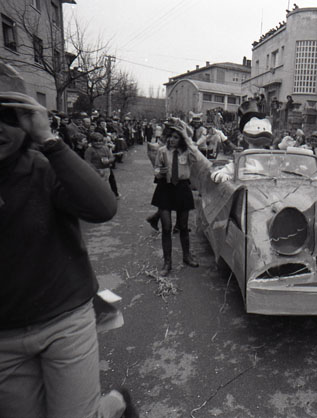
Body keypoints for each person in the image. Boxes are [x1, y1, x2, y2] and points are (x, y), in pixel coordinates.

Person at [0, 61, 135, 418]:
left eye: (8, 115)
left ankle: (116, 402)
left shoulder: (45, 167)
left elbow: (103, 207)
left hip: (64, 320)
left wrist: (50, 141)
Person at [152, 119, 208, 275]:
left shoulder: (188, 152)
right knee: (166, 227)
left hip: (182, 189)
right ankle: (167, 262)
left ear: (182, 139)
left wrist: (187, 138)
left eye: (176, 137)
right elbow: (156, 169)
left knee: (183, 226)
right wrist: (159, 172)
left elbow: (198, 157)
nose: (172, 139)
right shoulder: (162, 151)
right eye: (170, 136)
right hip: (165, 189)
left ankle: (186, 256)